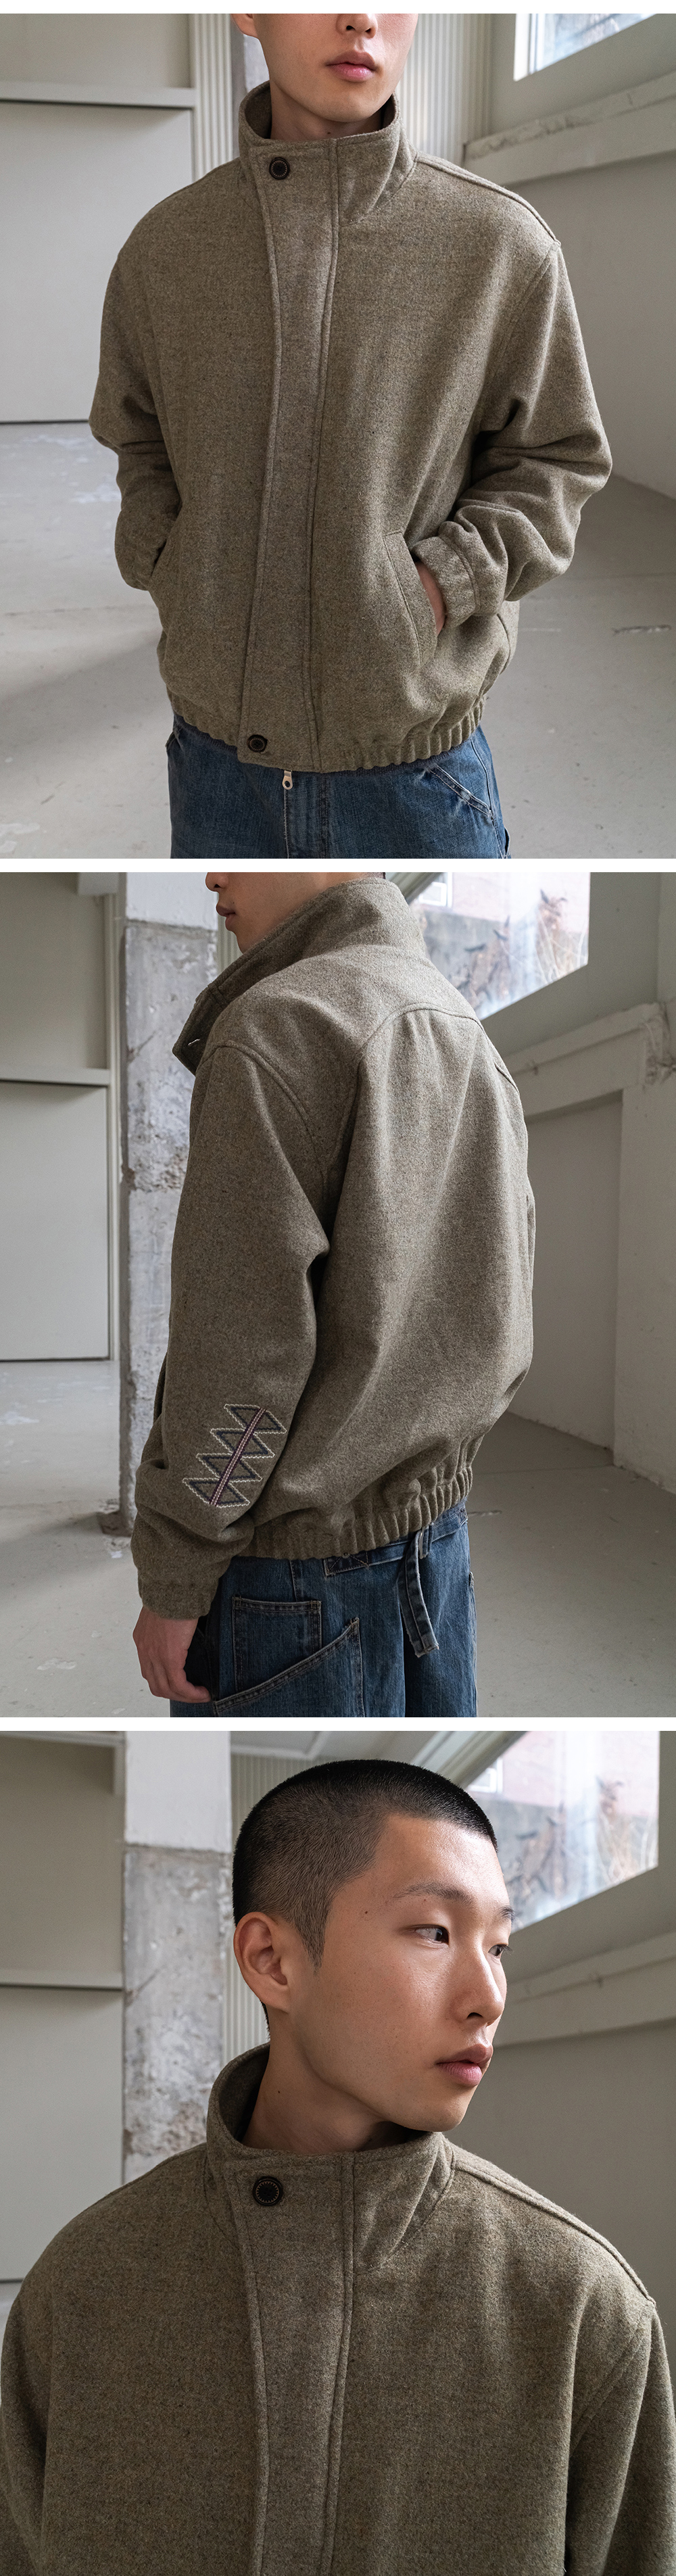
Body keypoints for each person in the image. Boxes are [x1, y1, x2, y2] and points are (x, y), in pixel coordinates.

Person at [1, 1759, 674, 2576]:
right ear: (272, 1960)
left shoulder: (582, 2309)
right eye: (434, 1932)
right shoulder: (83, 2286)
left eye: (498, 1945)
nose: (489, 1994)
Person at [89, 12, 612, 862]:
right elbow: (136, 434)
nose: (361, 17)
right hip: (215, 769)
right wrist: (173, 563)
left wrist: (434, 588)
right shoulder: (166, 249)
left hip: (414, 777)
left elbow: (555, 458)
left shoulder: (499, 245)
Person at [129, 869, 535, 1717]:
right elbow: (504, 1287)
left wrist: (179, 1564)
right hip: (437, 1541)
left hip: (293, 1573)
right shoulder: (463, 1026)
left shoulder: (278, 1023)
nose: (212, 874)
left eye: (237, 854)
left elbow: (244, 1349)